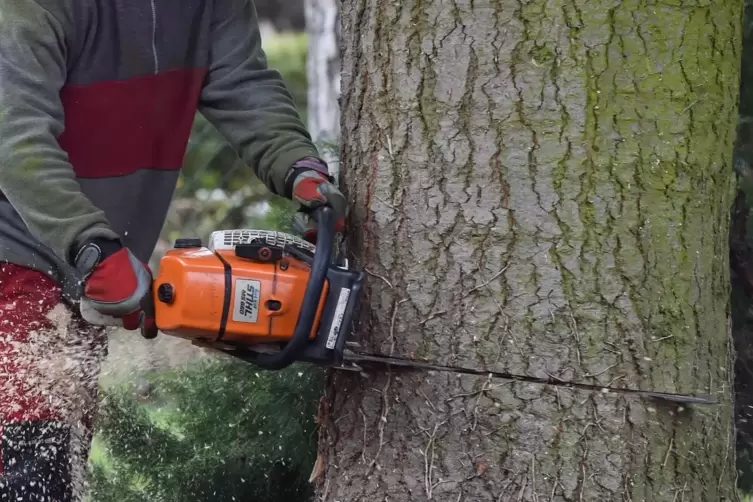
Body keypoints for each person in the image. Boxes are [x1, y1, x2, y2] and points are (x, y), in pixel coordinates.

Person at [0, 0, 346, 499]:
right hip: (16, 246)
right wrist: (93, 249)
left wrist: (297, 167)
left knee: (65, 448)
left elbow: (242, 83)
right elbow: (15, 139)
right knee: (28, 455)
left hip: (86, 254)